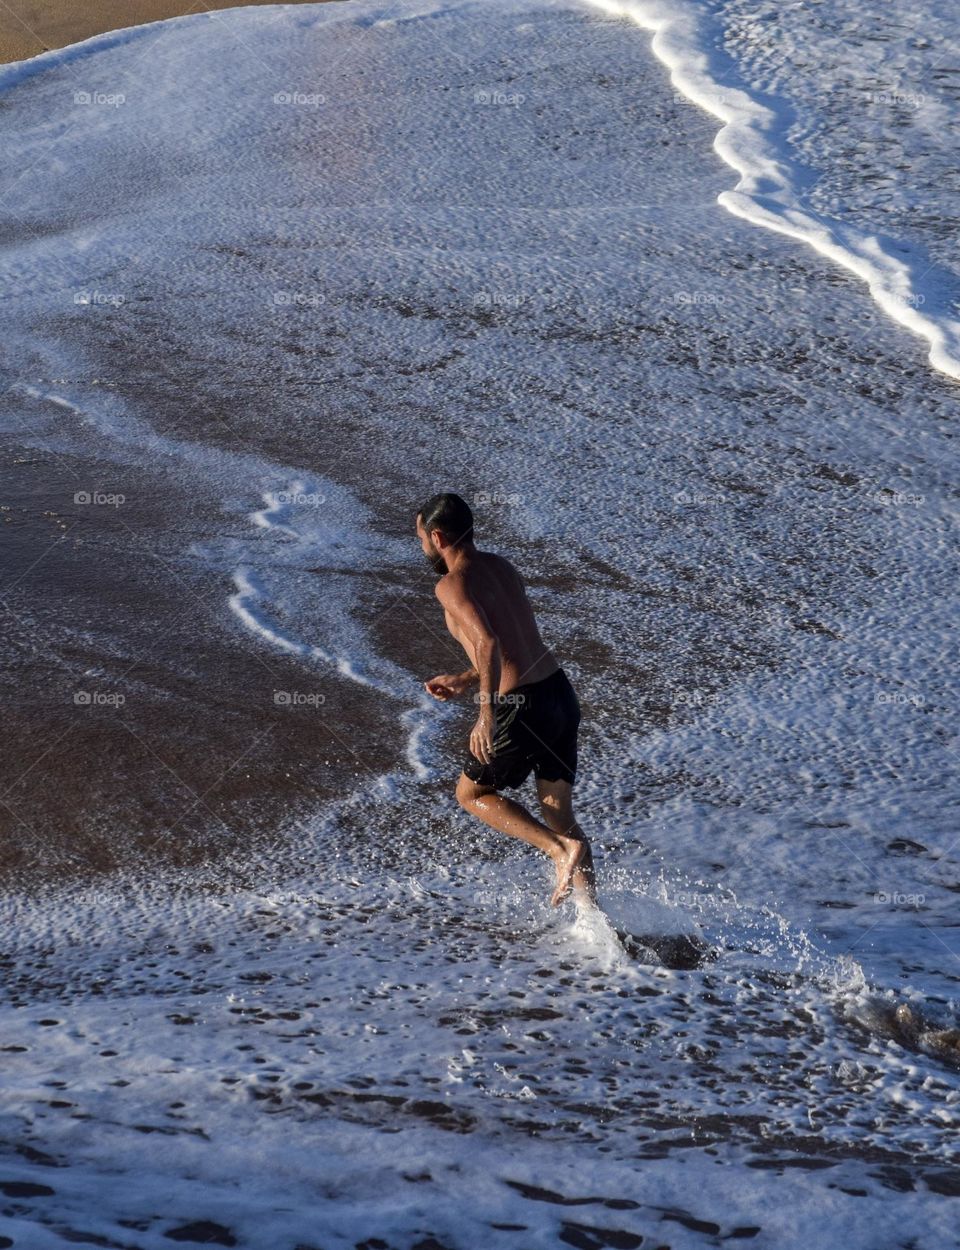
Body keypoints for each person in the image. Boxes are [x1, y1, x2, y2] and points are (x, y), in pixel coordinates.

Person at [416, 491, 597, 907]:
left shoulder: (450, 585)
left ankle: (556, 851)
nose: (422, 547)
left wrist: (486, 715)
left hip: (520, 706)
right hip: (558, 694)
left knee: (472, 795)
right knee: (559, 814)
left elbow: (490, 642)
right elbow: (515, 645)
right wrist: (464, 678)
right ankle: (595, 926)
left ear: (438, 537)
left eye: (422, 538)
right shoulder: (501, 567)